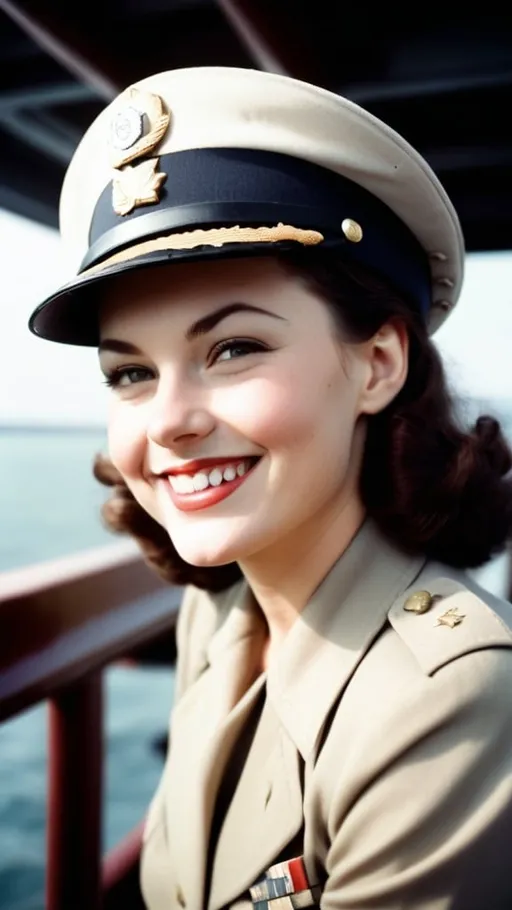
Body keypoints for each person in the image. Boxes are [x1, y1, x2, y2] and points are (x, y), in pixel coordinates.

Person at [29, 67, 512, 910]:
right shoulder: (219, 612)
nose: (170, 420)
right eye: (132, 373)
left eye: (233, 349)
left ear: (378, 364)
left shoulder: (452, 697)